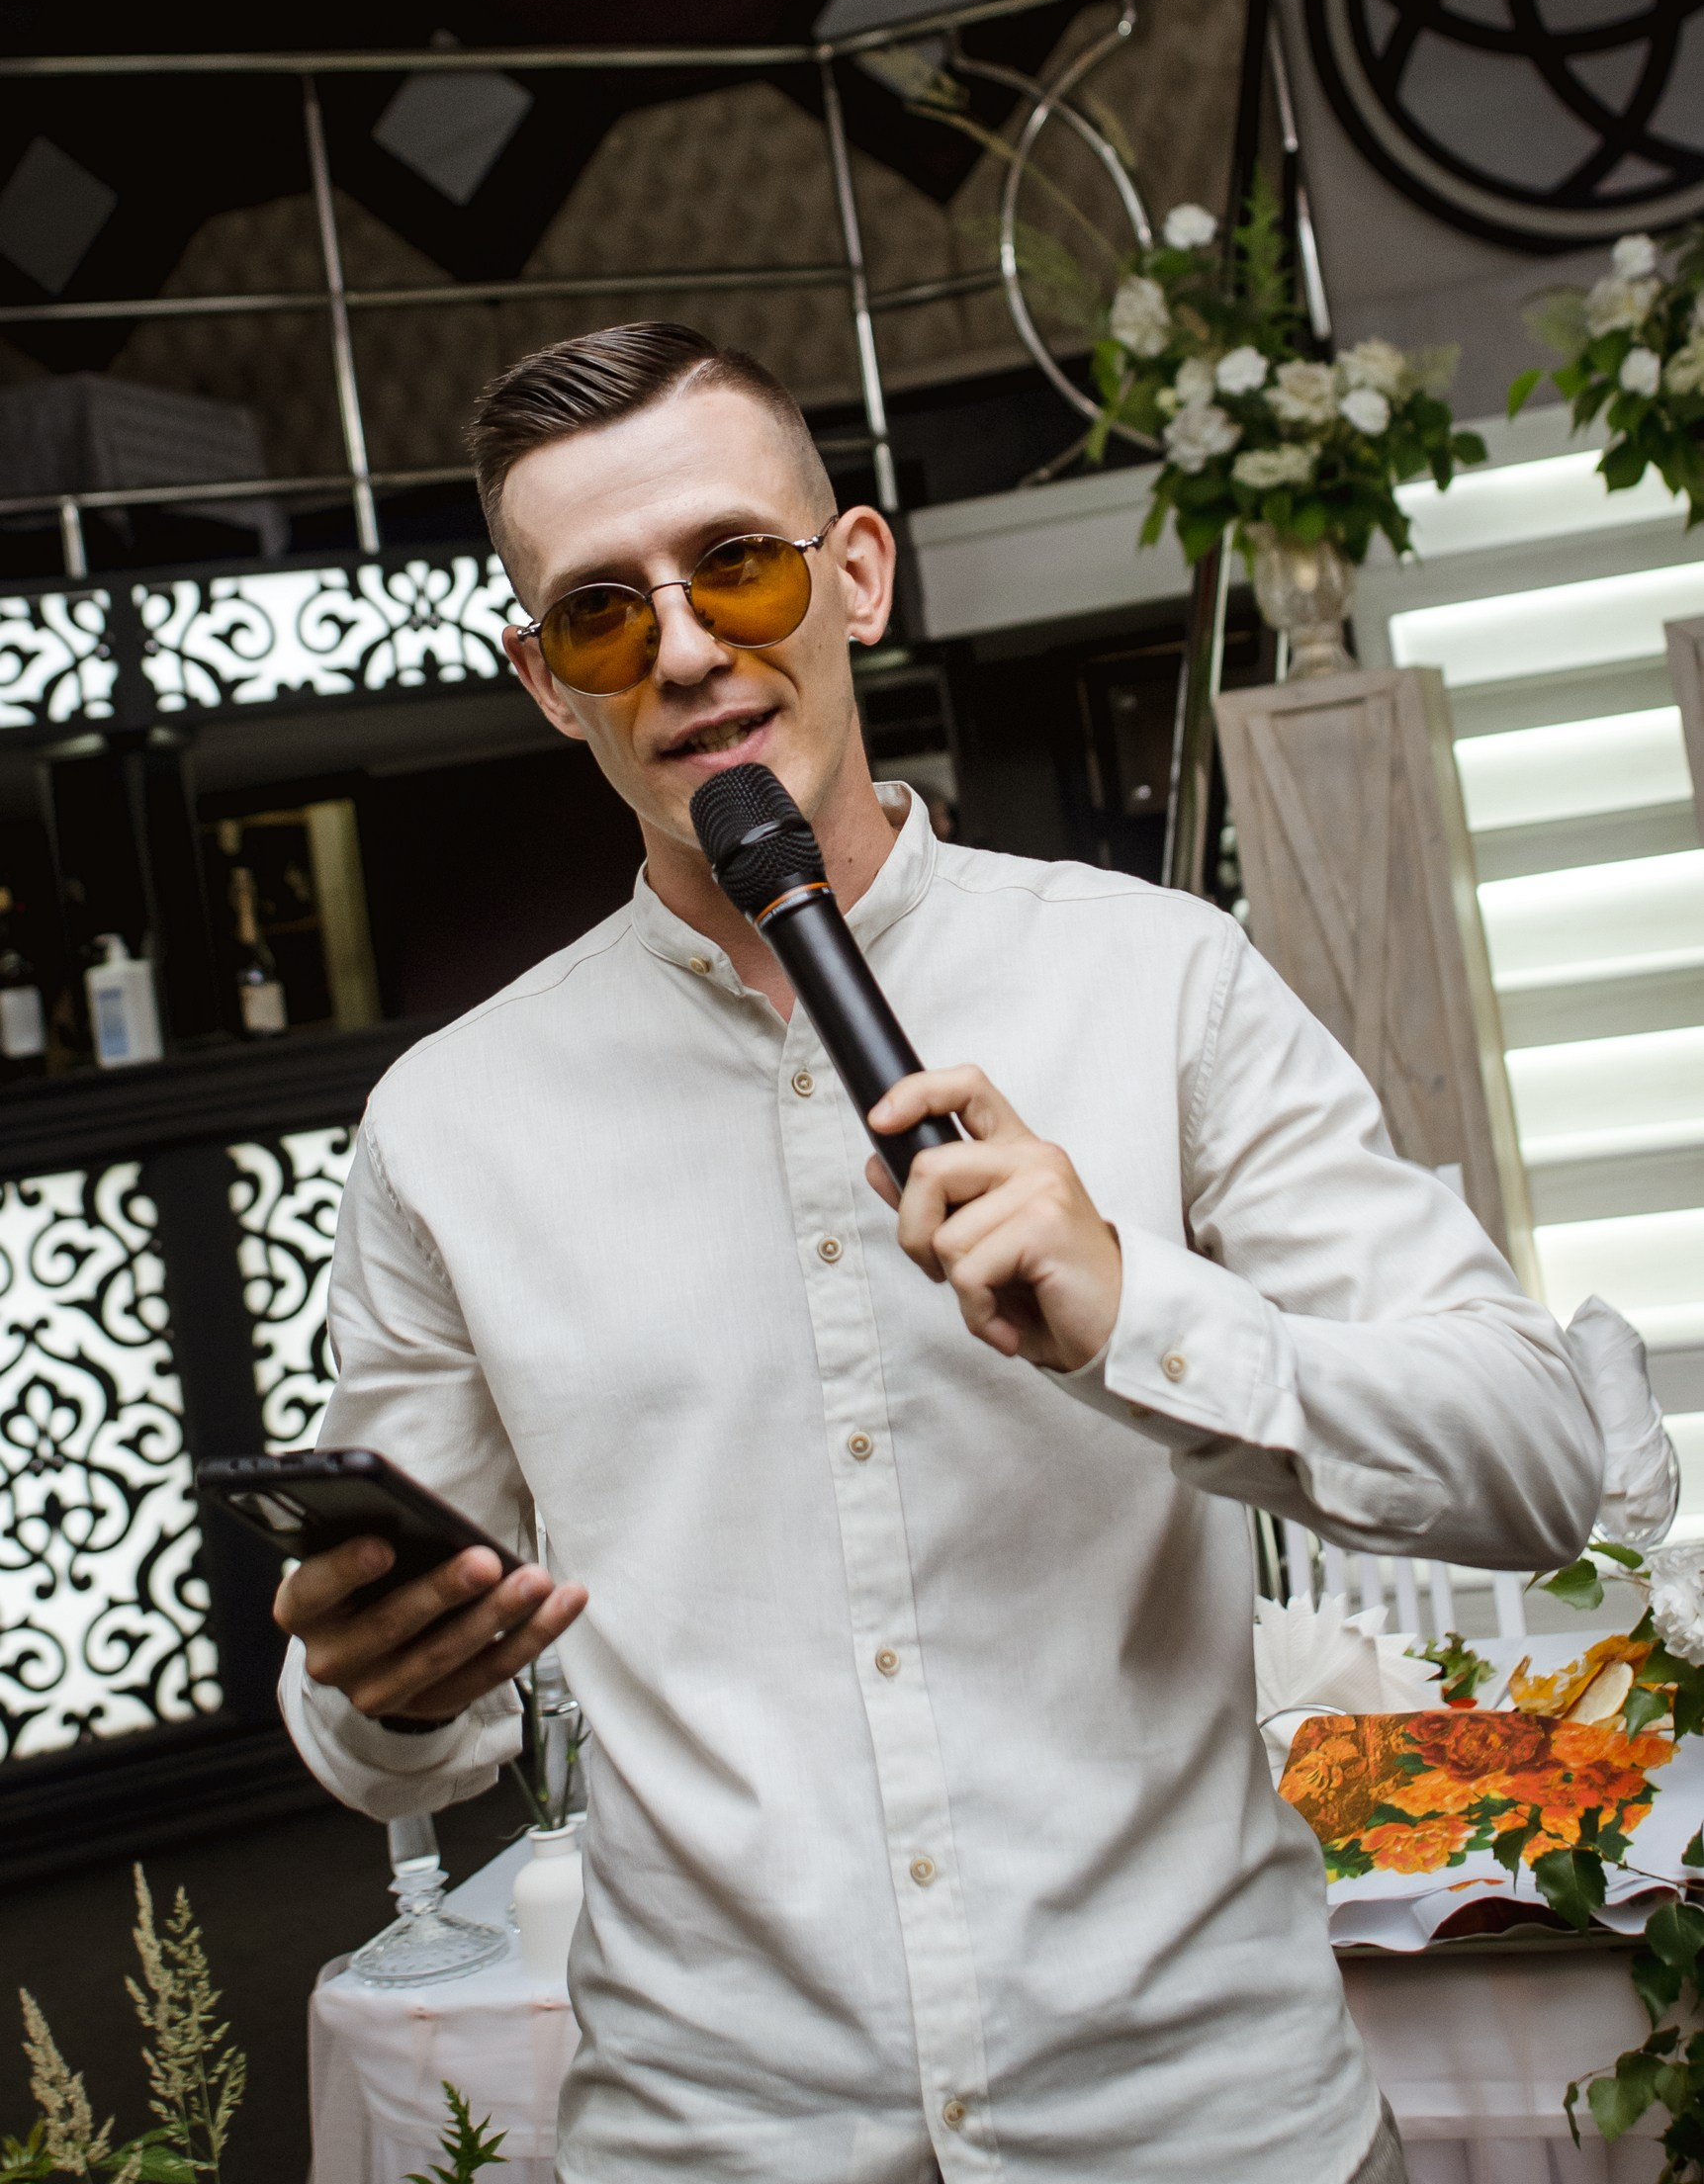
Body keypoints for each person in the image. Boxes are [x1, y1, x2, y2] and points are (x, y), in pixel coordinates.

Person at [277, 323, 1600, 2184]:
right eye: (602, 615)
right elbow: (402, 1697)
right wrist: (387, 1697)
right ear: (547, 682)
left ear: (857, 576)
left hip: (1214, 2132)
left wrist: (1141, 1310)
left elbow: (1538, 1458)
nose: (685, 652)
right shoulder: (449, 1123)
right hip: (721, 2147)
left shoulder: (1159, 979)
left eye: (737, 565)